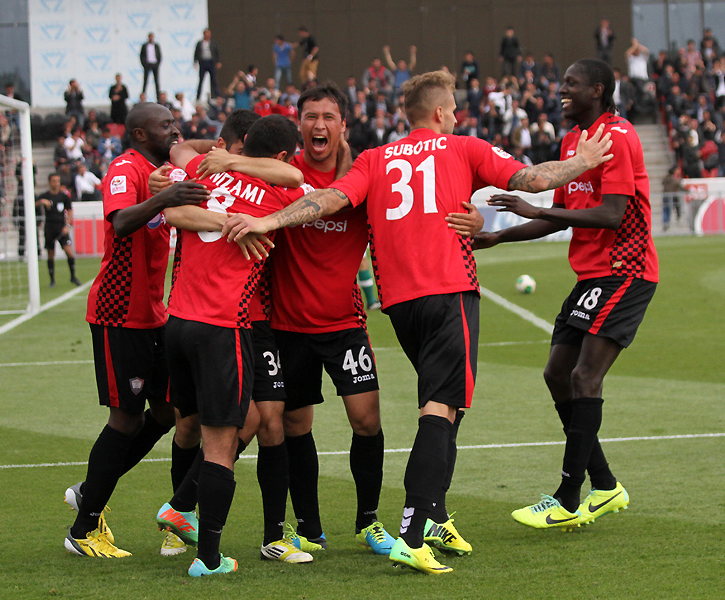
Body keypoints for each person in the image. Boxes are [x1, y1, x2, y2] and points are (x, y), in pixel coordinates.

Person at [222, 70, 613, 574]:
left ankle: (432, 514)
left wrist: (269, 220)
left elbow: (331, 199)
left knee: (446, 407)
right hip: (448, 290)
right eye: (451, 107)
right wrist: (582, 162)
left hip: (399, 305)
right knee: (441, 406)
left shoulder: (374, 158)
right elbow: (532, 180)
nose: (455, 114)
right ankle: (414, 529)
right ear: (438, 113)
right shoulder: (463, 146)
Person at [471, 58, 657, 532]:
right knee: (558, 373)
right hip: (592, 276)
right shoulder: (574, 142)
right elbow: (558, 212)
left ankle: (568, 498)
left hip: (625, 271)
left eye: (571, 85)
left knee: (584, 377)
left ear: (598, 89)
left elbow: (613, 214)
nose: (561, 91)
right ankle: (606, 485)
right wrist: (502, 235)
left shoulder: (617, 136)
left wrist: (533, 207)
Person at [156, 115, 315, 577]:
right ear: (281, 155)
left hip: (178, 323)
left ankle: (182, 511)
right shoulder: (278, 190)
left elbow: (170, 203)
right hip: (224, 326)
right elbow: (299, 181)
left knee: (226, 424)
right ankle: (208, 559)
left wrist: (223, 160)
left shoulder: (206, 172)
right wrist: (240, 220)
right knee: (221, 445)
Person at [62, 103, 210, 559]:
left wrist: (220, 149)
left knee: (169, 413)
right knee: (125, 418)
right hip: (118, 313)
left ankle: (92, 488)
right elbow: (122, 222)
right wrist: (168, 197)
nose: (175, 131)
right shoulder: (126, 169)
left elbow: (195, 147)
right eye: (166, 126)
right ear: (141, 133)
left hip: (155, 314)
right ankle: (83, 529)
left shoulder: (160, 168)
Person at [264, 83, 395, 556]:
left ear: (343, 125)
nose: (319, 124)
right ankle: (310, 526)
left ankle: (368, 521)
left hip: (343, 323)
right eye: (310, 116)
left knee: (367, 420)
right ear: (299, 124)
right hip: (287, 326)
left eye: (328, 117)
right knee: (296, 425)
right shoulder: (283, 174)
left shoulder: (364, 175)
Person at [35, 173, 81, 287]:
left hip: (62, 228)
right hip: (49, 228)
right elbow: (33, 205)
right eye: (54, 181)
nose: (56, 183)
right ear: (50, 182)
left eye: (58, 181)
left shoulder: (63, 196)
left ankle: (73, 276)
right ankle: (52, 280)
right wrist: (41, 202)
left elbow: (70, 211)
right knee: (51, 254)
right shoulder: (44, 195)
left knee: (69, 252)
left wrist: (67, 226)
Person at [194, 28, 221, 100]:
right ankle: (198, 96)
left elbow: (216, 52)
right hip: (203, 63)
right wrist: (195, 62)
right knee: (201, 80)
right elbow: (196, 53)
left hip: (211, 63)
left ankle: (217, 95)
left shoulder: (213, 43)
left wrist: (218, 61)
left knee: (214, 80)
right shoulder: (200, 43)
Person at [140, 33, 162, 100]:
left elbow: (159, 55)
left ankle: (158, 97)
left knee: (156, 81)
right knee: (145, 80)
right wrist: (144, 64)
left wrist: (157, 63)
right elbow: (141, 56)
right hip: (147, 64)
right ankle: (143, 96)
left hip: (154, 64)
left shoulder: (156, 45)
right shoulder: (144, 46)